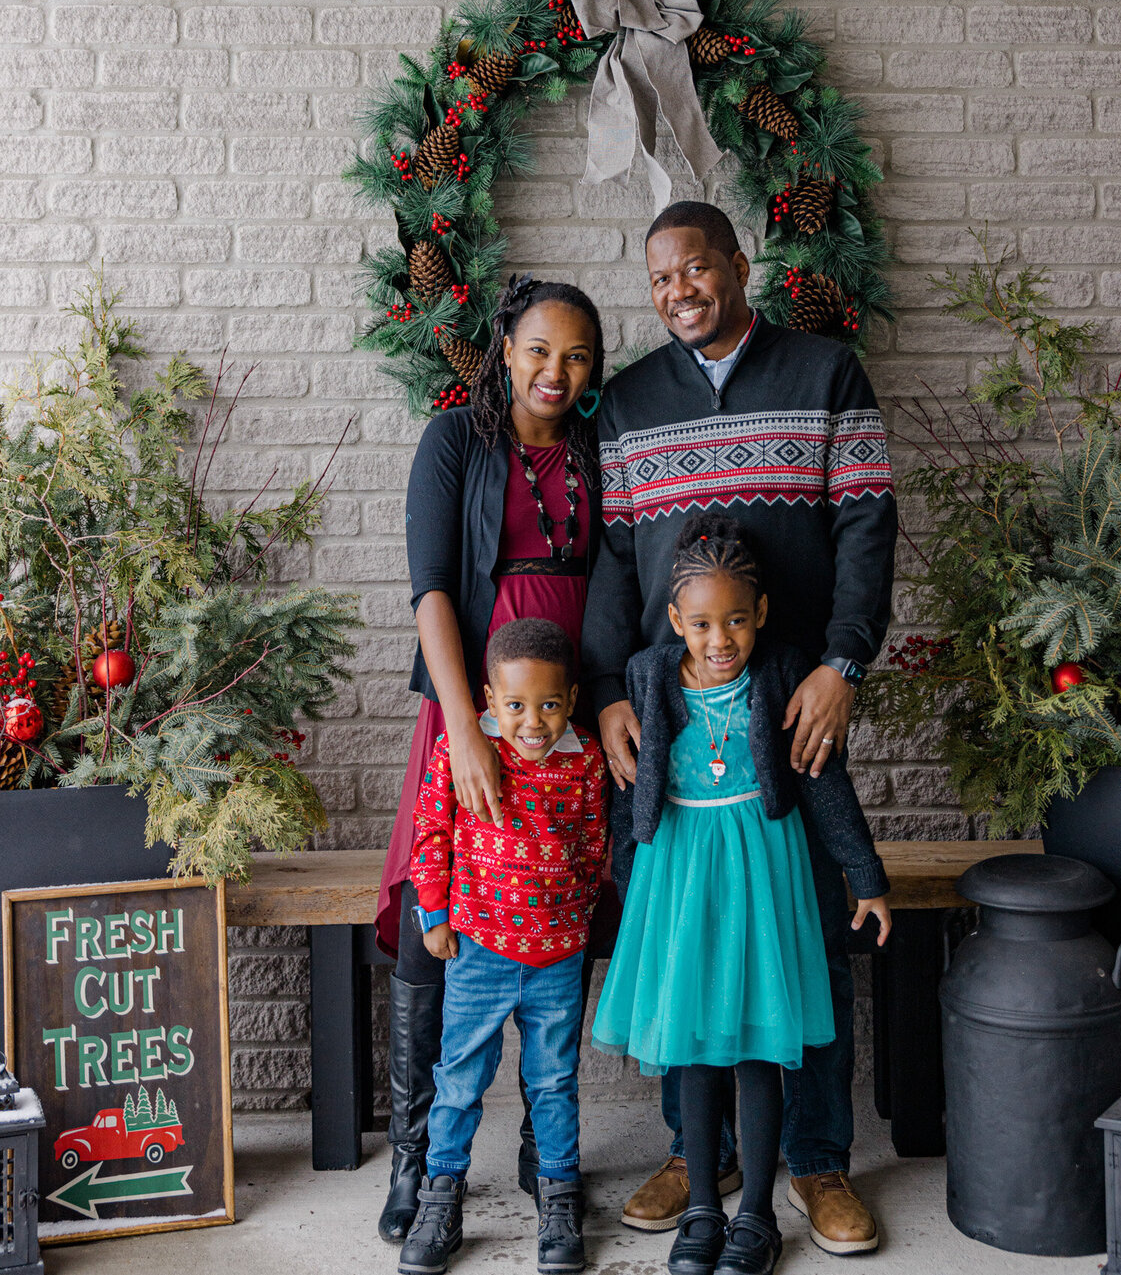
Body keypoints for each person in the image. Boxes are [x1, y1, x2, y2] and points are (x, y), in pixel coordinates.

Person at [583, 201, 897, 1255]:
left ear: (738, 265)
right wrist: (611, 694)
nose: (679, 291)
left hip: (792, 705)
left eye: (696, 269)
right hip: (677, 724)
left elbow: (866, 522)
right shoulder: (626, 404)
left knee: (801, 935)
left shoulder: (823, 374)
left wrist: (844, 662)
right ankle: (695, 1149)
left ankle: (814, 1160)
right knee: (689, 942)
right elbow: (614, 563)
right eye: (661, 277)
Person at [592, 515, 891, 1275]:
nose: (718, 638)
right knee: (693, 1043)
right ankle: (702, 1207)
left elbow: (824, 782)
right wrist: (631, 878)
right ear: (674, 620)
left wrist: (865, 875)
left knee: (760, 1042)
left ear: (759, 613)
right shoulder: (649, 676)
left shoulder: (782, 673)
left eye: (734, 619)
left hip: (764, 870)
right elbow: (629, 791)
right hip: (682, 873)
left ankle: (756, 1211)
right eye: (700, 622)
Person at [375, 275, 607, 1244]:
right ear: (504, 347)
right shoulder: (455, 444)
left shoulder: (598, 450)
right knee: (443, 908)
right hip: (474, 711)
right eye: (539, 350)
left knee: (554, 900)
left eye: (578, 356)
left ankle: (542, 1152)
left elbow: (622, 574)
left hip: (570, 722)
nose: (556, 371)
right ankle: (416, 1157)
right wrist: (464, 722)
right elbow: (432, 588)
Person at [399, 617, 609, 1275]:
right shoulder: (464, 755)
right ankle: (441, 1196)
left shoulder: (586, 761)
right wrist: (434, 913)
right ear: (489, 699)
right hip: (480, 951)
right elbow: (432, 831)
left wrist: (580, 918)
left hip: (556, 956)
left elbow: (595, 845)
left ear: (571, 699)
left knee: (553, 1080)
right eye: (516, 705)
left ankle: (557, 1197)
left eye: (549, 704)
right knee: (459, 1078)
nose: (533, 721)